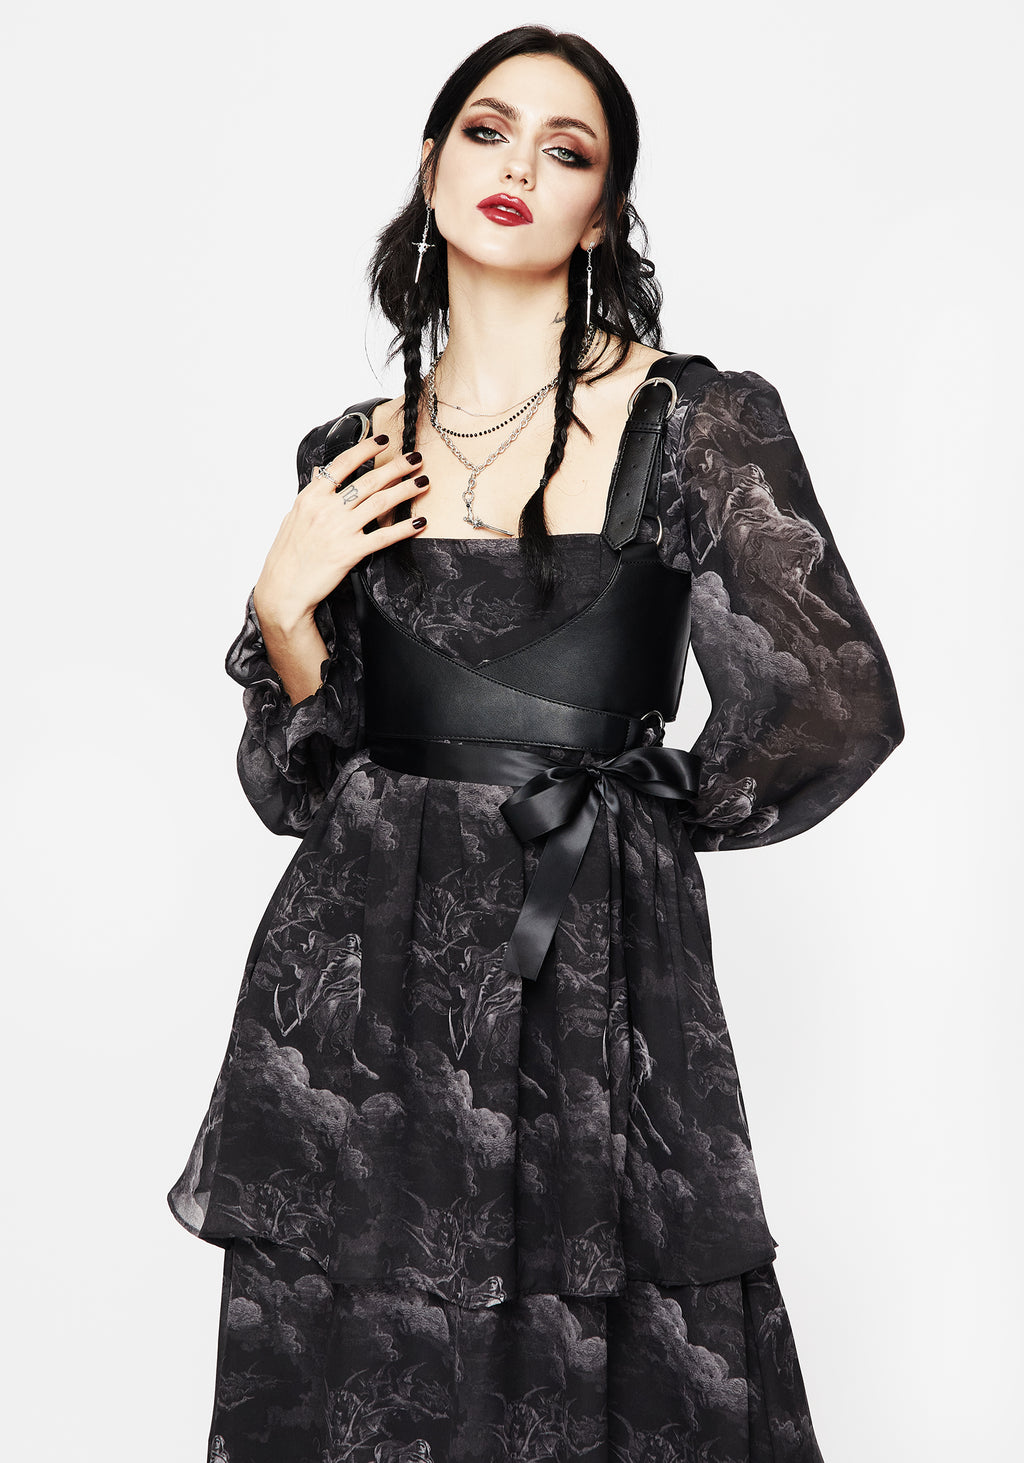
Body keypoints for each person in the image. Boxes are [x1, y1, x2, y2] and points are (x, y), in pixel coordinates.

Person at [167, 24, 905, 1463]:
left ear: (603, 212)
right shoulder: (347, 454)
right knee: (369, 1357)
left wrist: (637, 816)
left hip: (595, 976)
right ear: (431, 166)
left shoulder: (697, 424)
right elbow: (310, 785)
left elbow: (835, 698)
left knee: (613, 1352)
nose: (518, 165)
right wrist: (284, 609)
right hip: (367, 986)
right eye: (488, 131)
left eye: (566, 150)